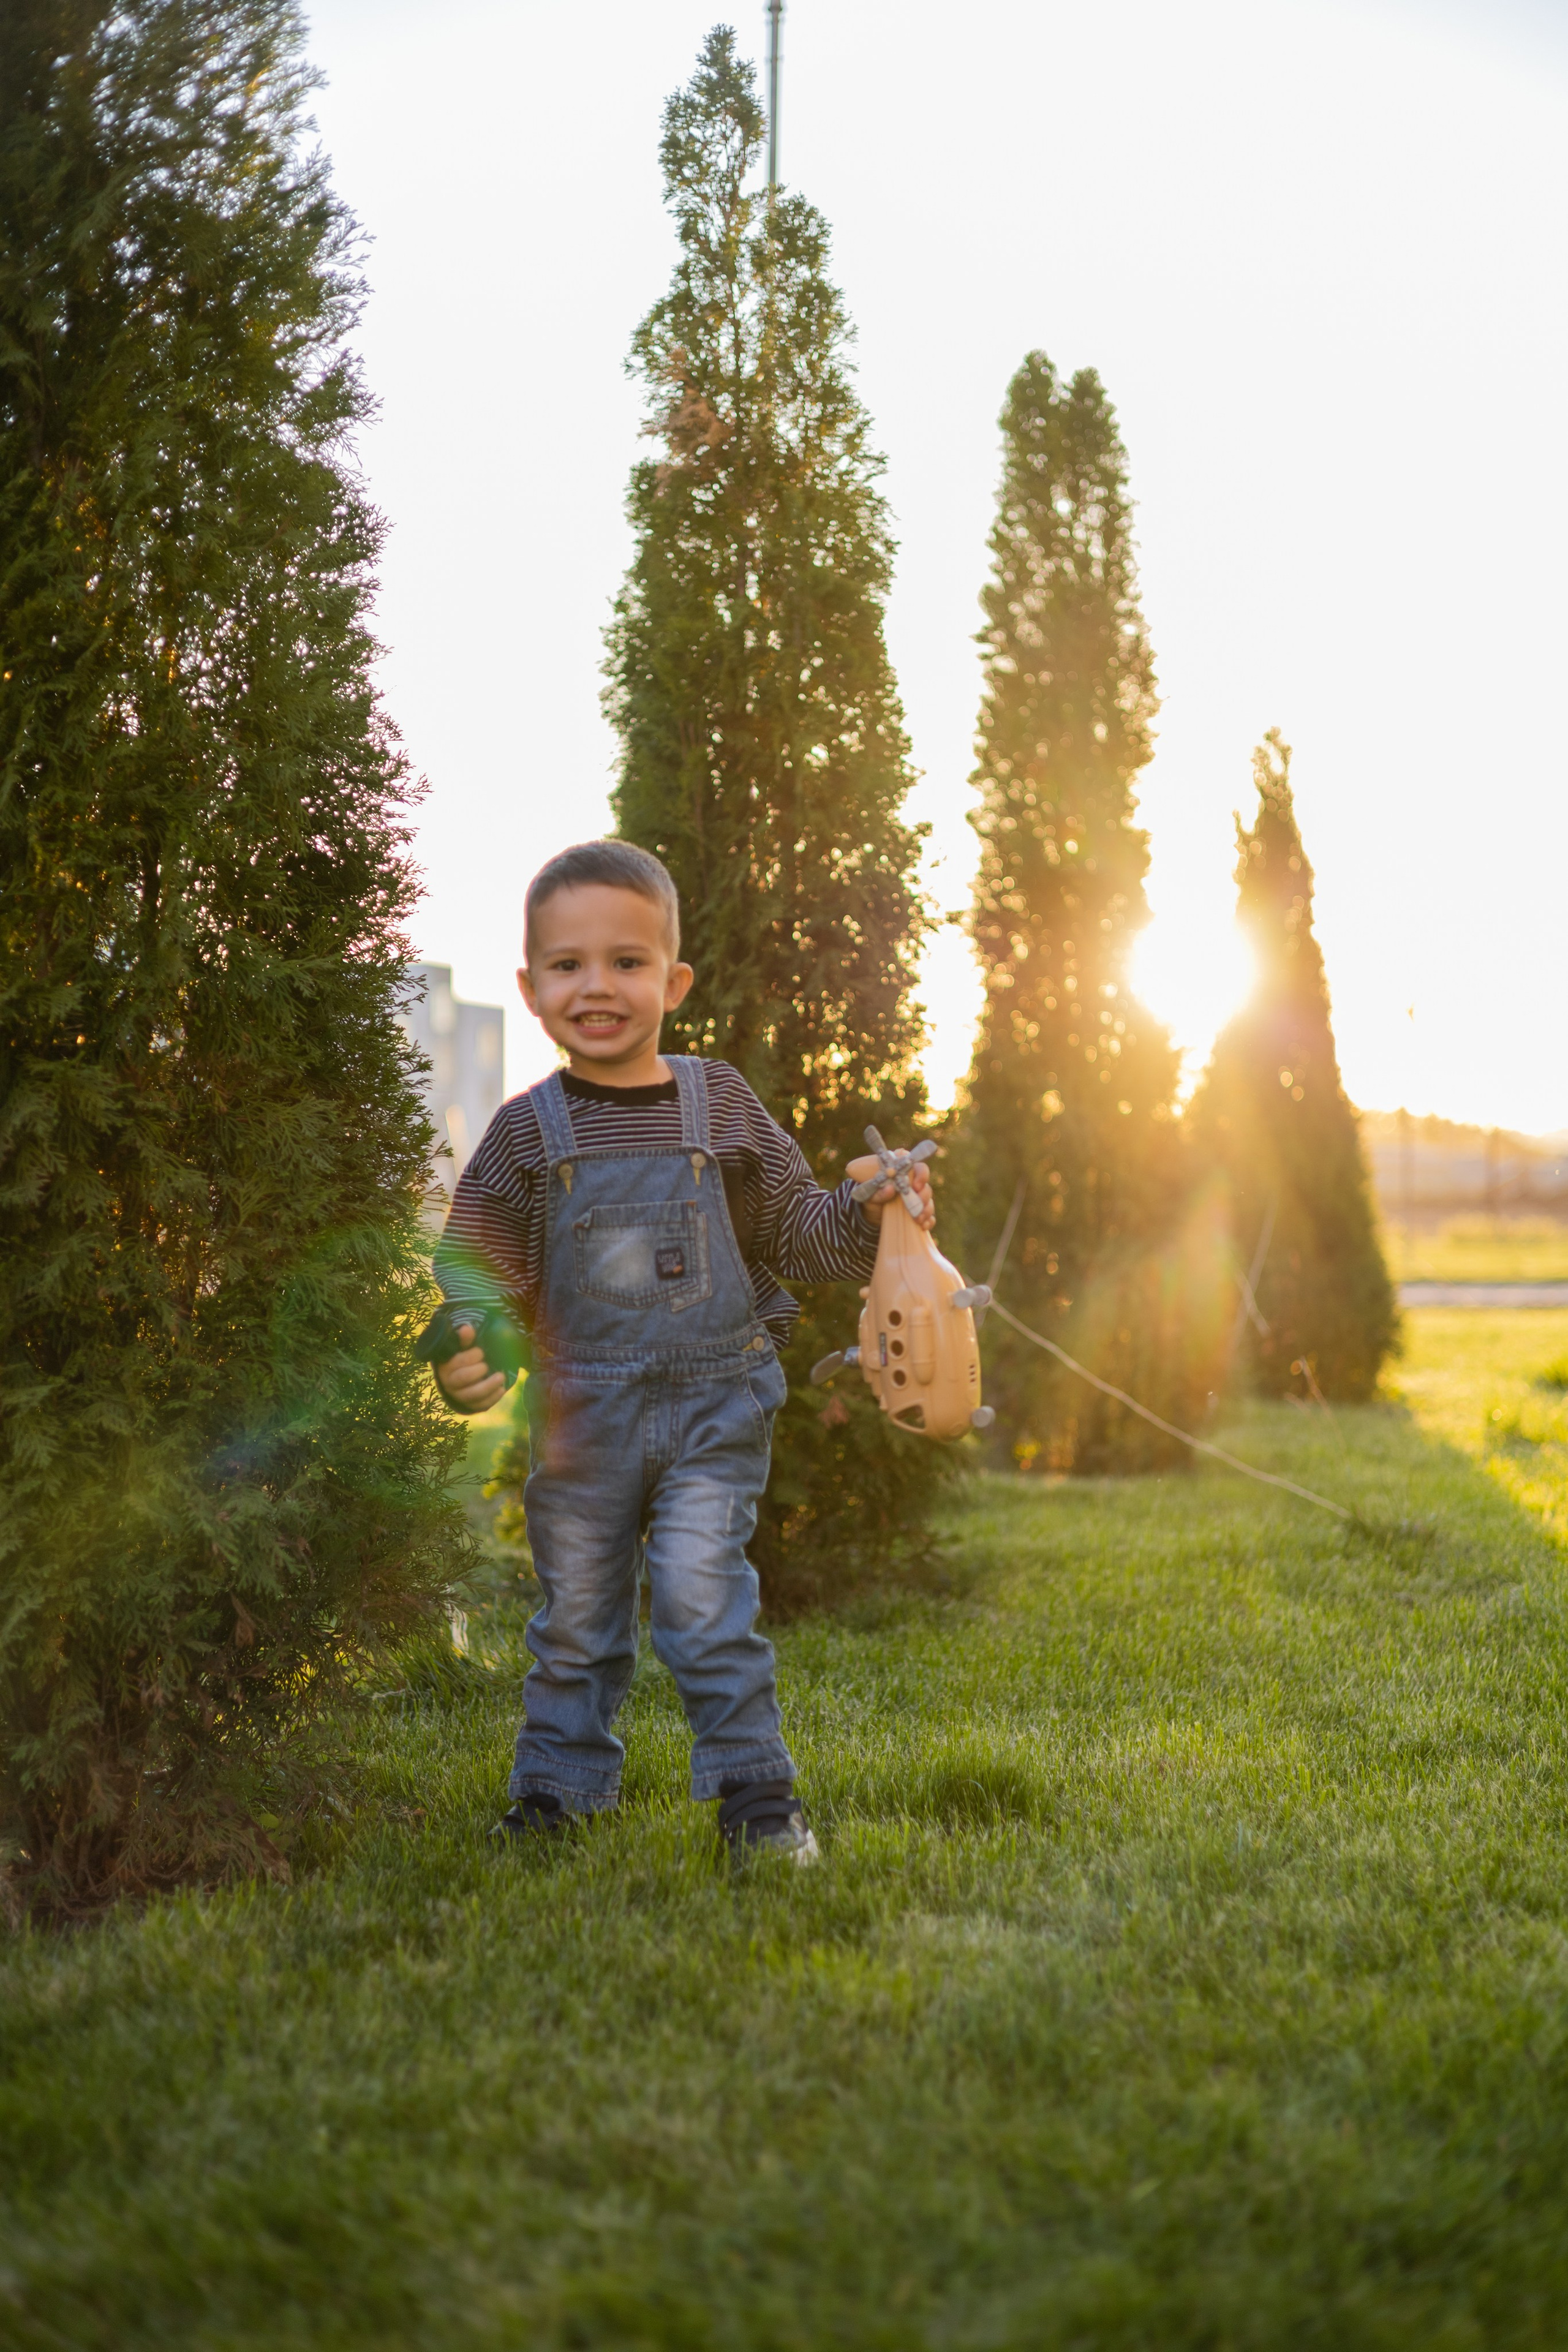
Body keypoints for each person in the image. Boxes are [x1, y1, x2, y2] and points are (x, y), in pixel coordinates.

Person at [420, 839, 934, 1863]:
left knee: (705, 1602)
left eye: (626, 961)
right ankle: (557, 1794)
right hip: (580, 1422)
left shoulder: (723, 1105)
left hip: (715, 1410)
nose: (596, 986)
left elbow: (796, 1232)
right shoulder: (528, 1135)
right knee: (578, 1619)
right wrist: (464, 1345)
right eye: (567, 966)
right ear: (529, 988)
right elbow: (475, 1269)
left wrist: (871, 1209)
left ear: (674, 980)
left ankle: (758, 1800)